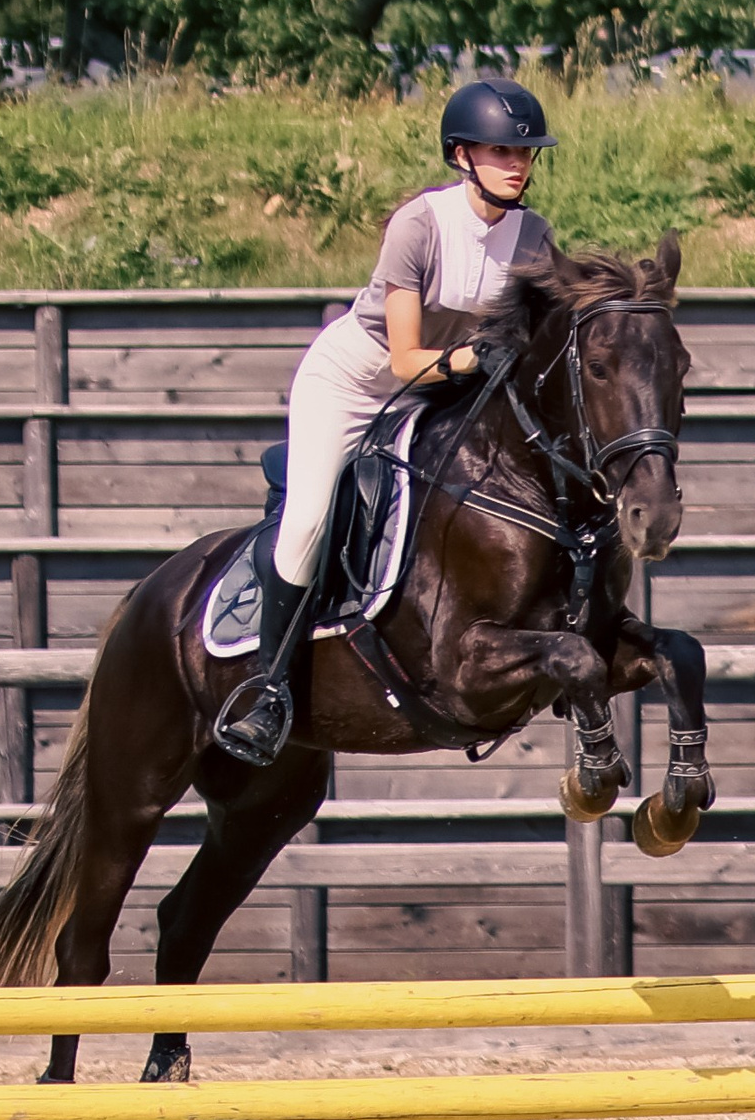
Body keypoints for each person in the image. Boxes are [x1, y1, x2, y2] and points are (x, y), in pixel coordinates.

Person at [214, 75, 559, 765]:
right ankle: (267, 690)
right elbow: (405, 359)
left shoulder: (535, 236)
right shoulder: (420, 225)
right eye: (500, 151)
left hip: (440, 392)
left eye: (525, 152)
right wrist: (470, 357)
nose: (517, 164)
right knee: (310, 516)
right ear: (460, 155)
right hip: (354, 381)